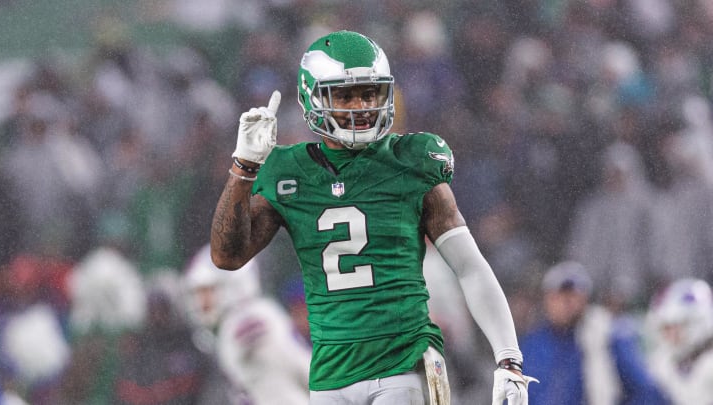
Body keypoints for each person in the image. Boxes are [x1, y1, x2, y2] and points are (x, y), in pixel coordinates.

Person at [210, 30, 536, 404]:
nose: (361, 106)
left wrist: (509, 357)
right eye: (345, 95)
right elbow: (227, 256)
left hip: (404, 365)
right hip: (330, 373)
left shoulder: (411, 160)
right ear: (311, 97)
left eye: (369, 93)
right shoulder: (288, 171)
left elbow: (469, 266)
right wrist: (243, 169)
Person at [519, 261, 669, 405]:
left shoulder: (606, 336)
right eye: (559, 296)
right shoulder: (532, 344)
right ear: (547, 299)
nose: (566, 303)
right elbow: (515, 394)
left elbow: (646, 391)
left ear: (585, 300)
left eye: (573, 296)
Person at [182, 244, 311, 404]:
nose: (200, 303)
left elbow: (277, 391)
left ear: (232, 285)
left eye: (207, 292)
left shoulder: (246, 323)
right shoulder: (253, 315)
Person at [646, 278, 713, 404]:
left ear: (696, 323)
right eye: (664, 329)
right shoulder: (663, 361)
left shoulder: (708, 364)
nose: (667, 336)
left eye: (674, 327)